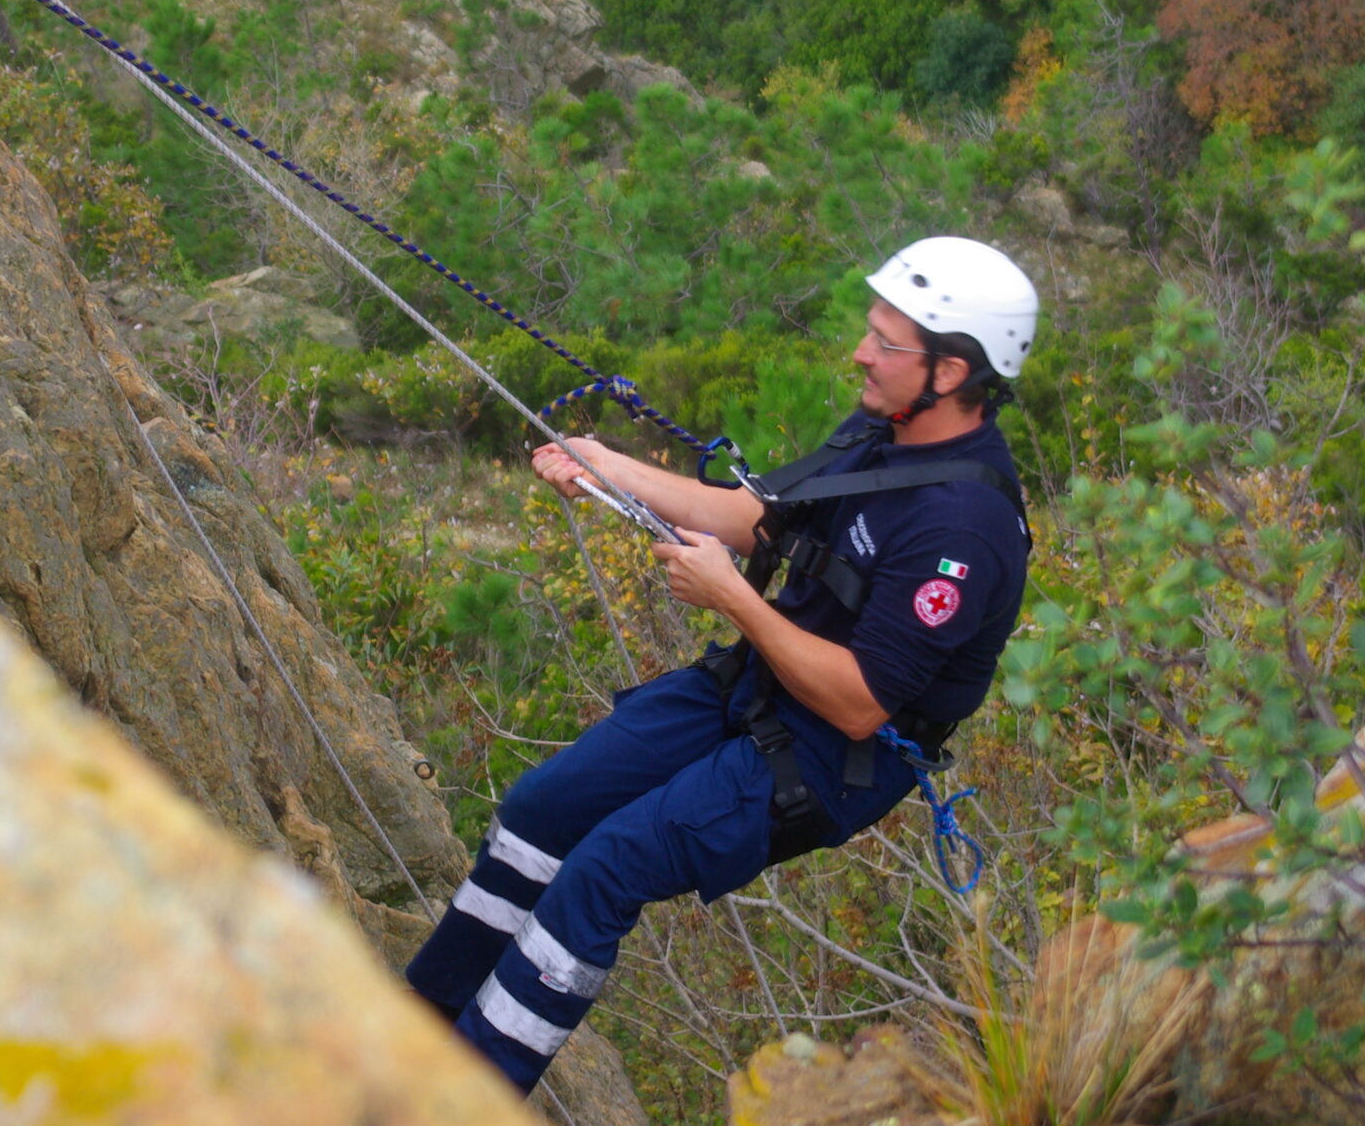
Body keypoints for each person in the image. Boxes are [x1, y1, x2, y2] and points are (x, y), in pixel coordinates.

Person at [403, 236, 1039, 1091]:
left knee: (603, 871)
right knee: (541, 809)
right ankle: (416, 1023)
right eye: (870, 331)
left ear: (953, 372)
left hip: (832, 757)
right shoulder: (883, 433)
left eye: (887, 344)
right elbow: (753, 517)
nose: (861, 351)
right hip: (760, 687)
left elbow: (860, 705)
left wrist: (735, 600)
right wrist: (608, 466)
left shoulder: (964, 526)